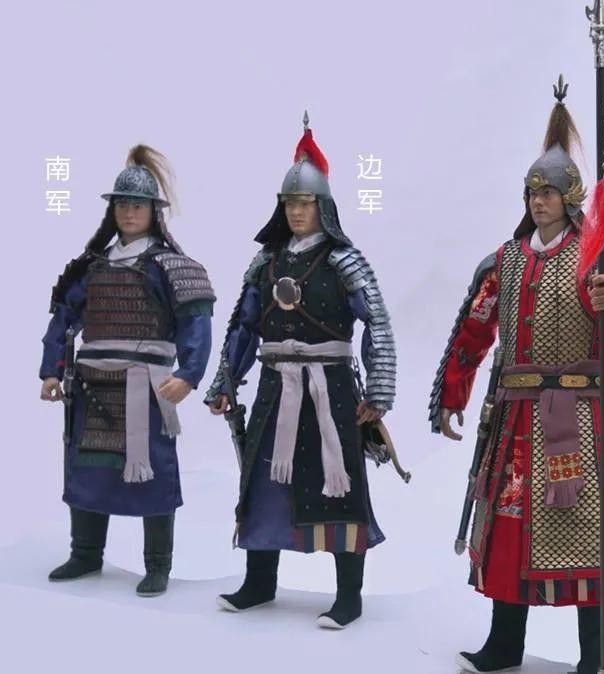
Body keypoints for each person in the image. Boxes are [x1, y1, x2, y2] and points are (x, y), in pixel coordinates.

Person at [429, 81, 604, 674]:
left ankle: (594, 658)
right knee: (508, 532)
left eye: (549, 192)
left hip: (577, 422)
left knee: (583, 533)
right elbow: (474, 331)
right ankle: (504, 646)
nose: (538, 201)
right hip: (514, 418)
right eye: (532, 192)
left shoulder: (597, 257)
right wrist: (452, 395)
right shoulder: (503, 261)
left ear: (571, 198)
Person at [206, 114, 396, 629]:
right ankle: (259, 582)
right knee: (263, 482)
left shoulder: (345, 260)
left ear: (323, 207)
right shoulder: (265, 262)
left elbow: (376, 322)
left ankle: (349, 596)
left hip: (331, 390)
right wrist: (225, 382)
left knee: (340, 486)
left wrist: (379, 389)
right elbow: (244, 326)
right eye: (289, 203)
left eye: (305, 202)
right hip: (275, 388)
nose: (296, 211)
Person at [40, 145, 215, 597]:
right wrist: (52, 371)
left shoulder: (172, 267)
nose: (129, 212)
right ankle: (85, 554)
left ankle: (157, 565)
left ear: (154, 211)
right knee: (87, 470)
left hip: (148, 389)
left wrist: (189, 374)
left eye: (137, 204)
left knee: (153, 472)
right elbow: (64, 320)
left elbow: (196, 324)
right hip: (92, 387)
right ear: (112, 209)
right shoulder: (92, 267)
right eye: (122, 204)